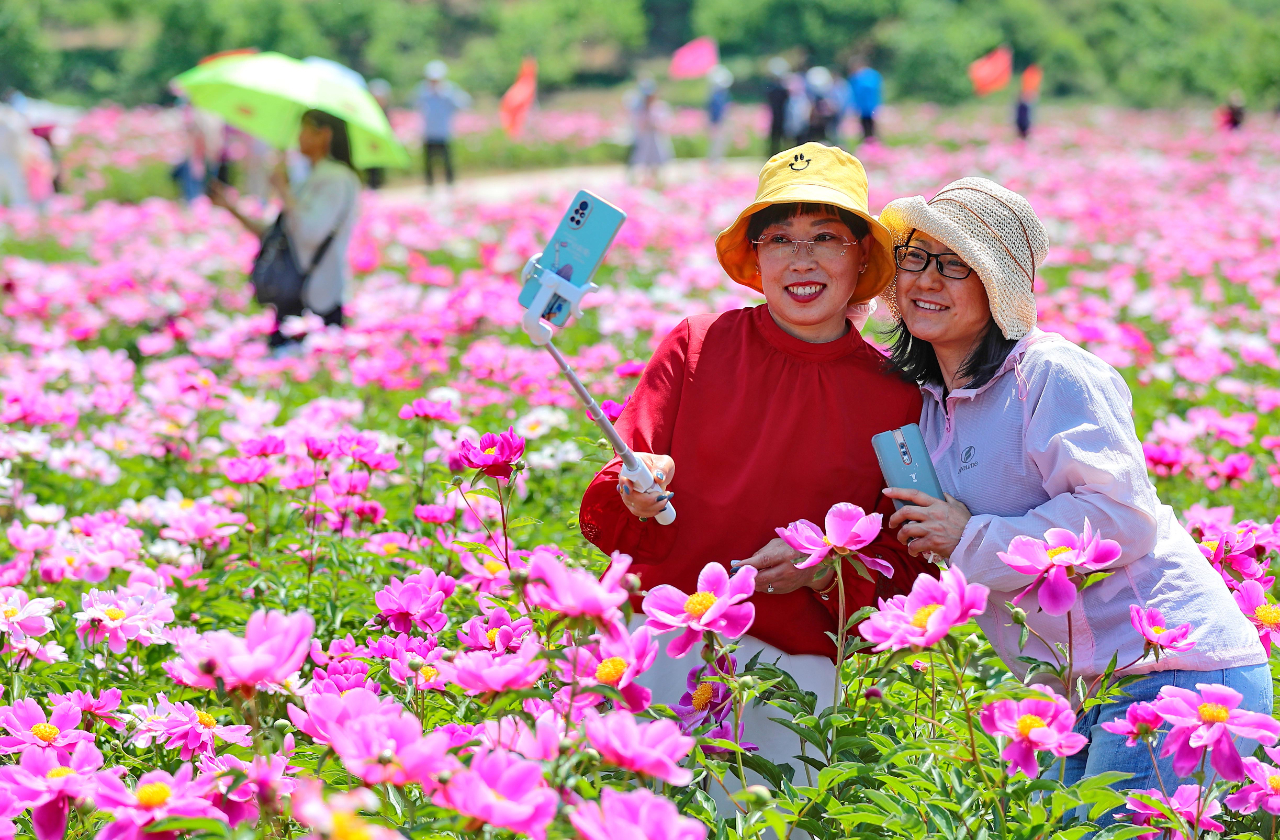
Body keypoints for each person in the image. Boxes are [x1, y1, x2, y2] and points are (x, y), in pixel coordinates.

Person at [876, 177, 1270, 818]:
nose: (925, 280)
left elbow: (1122, 516)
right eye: (914, 258)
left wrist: (969, 537)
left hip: (1177, 675)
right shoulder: (929, 405)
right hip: (1080, 686)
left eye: (954, 265)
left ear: (996, 289)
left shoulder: (1048, 374)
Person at [579, 142, 930, 790]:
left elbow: (910, 562)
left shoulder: (897, 395)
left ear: (860, 256)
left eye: (825, 236)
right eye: (779, 238)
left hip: (795, 678)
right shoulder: (698, 344)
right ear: (756, 256)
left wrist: (826, 571)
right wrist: (636, 490)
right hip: (660, 643)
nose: (802, 258)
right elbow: (620, 485)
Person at [210, 110, 361, 351]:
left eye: (305, 129)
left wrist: (284, 191)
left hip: (319, 291)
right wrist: (230, 207)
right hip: (295, 290)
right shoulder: (310, 178)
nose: (298, 137)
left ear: (324, 135)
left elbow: (311, 232)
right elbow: (274, 234)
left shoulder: (336, 178)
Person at [415, 61, 470, 187]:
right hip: (428, 132)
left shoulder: (449, 90)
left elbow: (464, 104)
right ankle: (430, 186)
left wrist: (446, 94)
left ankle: (450, 184)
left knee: (447, 161)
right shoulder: (422, 90)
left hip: (444, 131)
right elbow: (414, 104)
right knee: (428, 163)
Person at [628, 80, 672, 188]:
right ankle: (645, 181)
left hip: (657, 137)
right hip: (645, 138)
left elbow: (666, 123)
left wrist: (656, 125)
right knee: (644, 161)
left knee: (657, 160)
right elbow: (637, 124)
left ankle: (655, 181)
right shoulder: (640, 109)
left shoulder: (660, 107)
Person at [705, 65, 733, 172]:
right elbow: (714, 111)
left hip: (721, 121)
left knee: (720, 143)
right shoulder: (716, 95)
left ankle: (717, 161)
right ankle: (713, 162)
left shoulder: (721, 94)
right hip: (717, 122)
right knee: (716, 144)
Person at [366, 79, 393, 190]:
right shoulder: (368, 111)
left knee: (380, 166)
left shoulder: (385, 112)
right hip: (370, 143)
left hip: (380, 143)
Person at [849, 61, 882, 142]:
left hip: (867, 107)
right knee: (869, 128)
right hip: (869, 107)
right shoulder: (873, 75)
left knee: (869, 128)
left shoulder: (859, 78)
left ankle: (870, 144)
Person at [764, 57, 791, 157]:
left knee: (777, 139)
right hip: (780, 117)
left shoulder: (772, 87)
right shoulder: (782, 89)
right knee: (779, 139)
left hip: (779, 117)